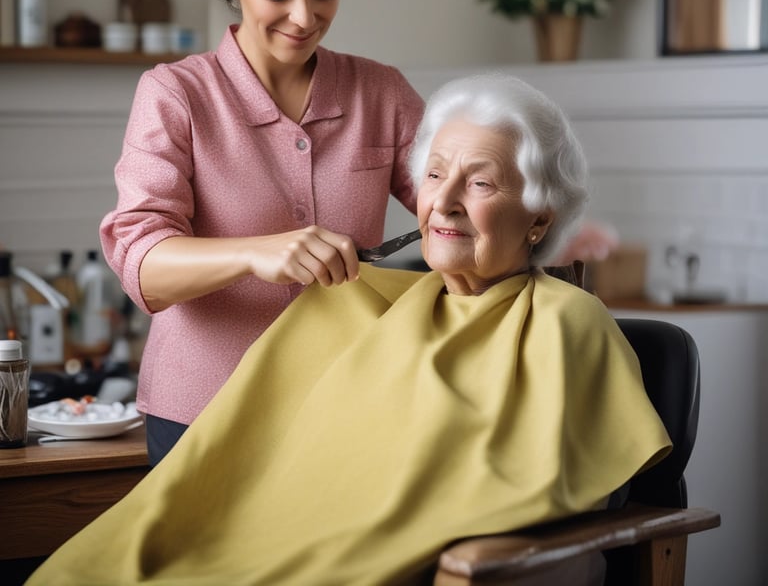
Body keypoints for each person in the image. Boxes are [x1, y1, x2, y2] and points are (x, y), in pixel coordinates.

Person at [29, 74, 671, 586]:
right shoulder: (356, 303)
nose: (443, 202)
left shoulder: (566, 322)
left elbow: (556, 488)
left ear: (538, 218)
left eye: (479, 183)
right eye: (434, 175)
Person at [99, 0, 425, 464]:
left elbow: (450, 201)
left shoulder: (381, 92)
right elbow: (141, 263)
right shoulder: (177, 94)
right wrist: (256, 251)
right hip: (203, 416)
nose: (305, 17)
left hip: (347, 406)